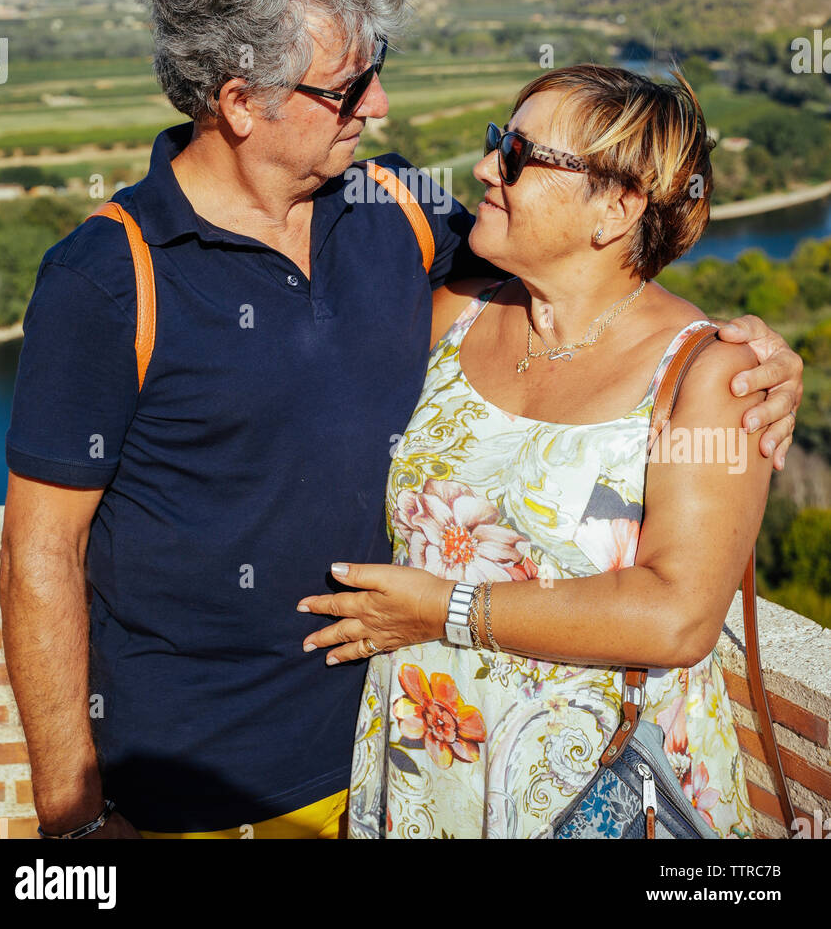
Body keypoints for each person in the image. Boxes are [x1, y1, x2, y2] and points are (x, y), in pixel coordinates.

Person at [0, 0, 800, 841]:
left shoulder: (398, 205)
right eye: (349, 89)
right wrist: (74, 821)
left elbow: (585, 271)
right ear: (240, 103)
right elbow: (39, 557)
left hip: (400, 758)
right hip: (212, 785)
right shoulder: (106, 279)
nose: (378, 107)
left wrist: (735, 351)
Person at [297, 65, 788, 839]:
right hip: (432, 760)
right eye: (500, 141)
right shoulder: (458, 310)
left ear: (616, 210)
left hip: (600, 783)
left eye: (520, 153)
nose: (487, 167)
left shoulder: (714, 375)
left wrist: (444, 612)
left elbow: (679, 616)